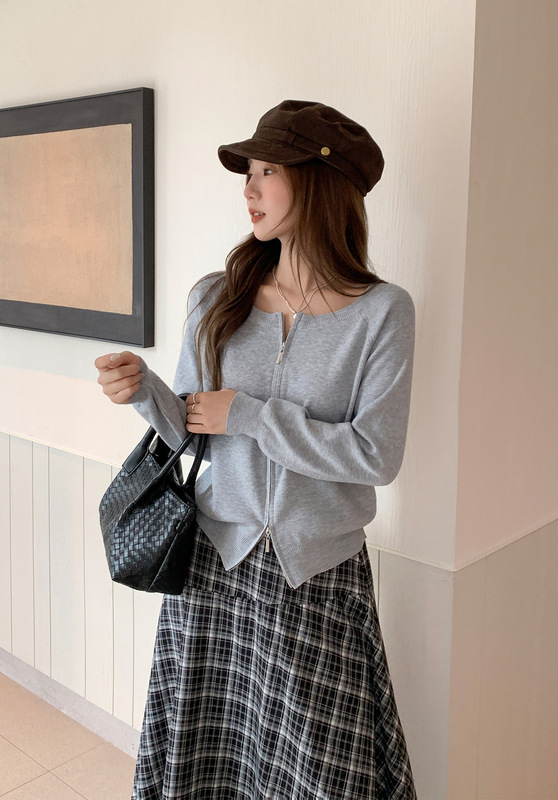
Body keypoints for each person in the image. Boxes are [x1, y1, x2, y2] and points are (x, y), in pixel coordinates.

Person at [95, 99, 416, 800]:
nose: (250, 188)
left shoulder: (382, 312)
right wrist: (145, 391)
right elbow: (193, 432)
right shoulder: (217, 297)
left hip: (316, 577)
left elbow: (376, 456)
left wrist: (252, 415)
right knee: (208, 760)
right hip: (216, 563)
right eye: (249, 172)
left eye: (268, 171)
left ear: (322, 183)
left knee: (318, 773)